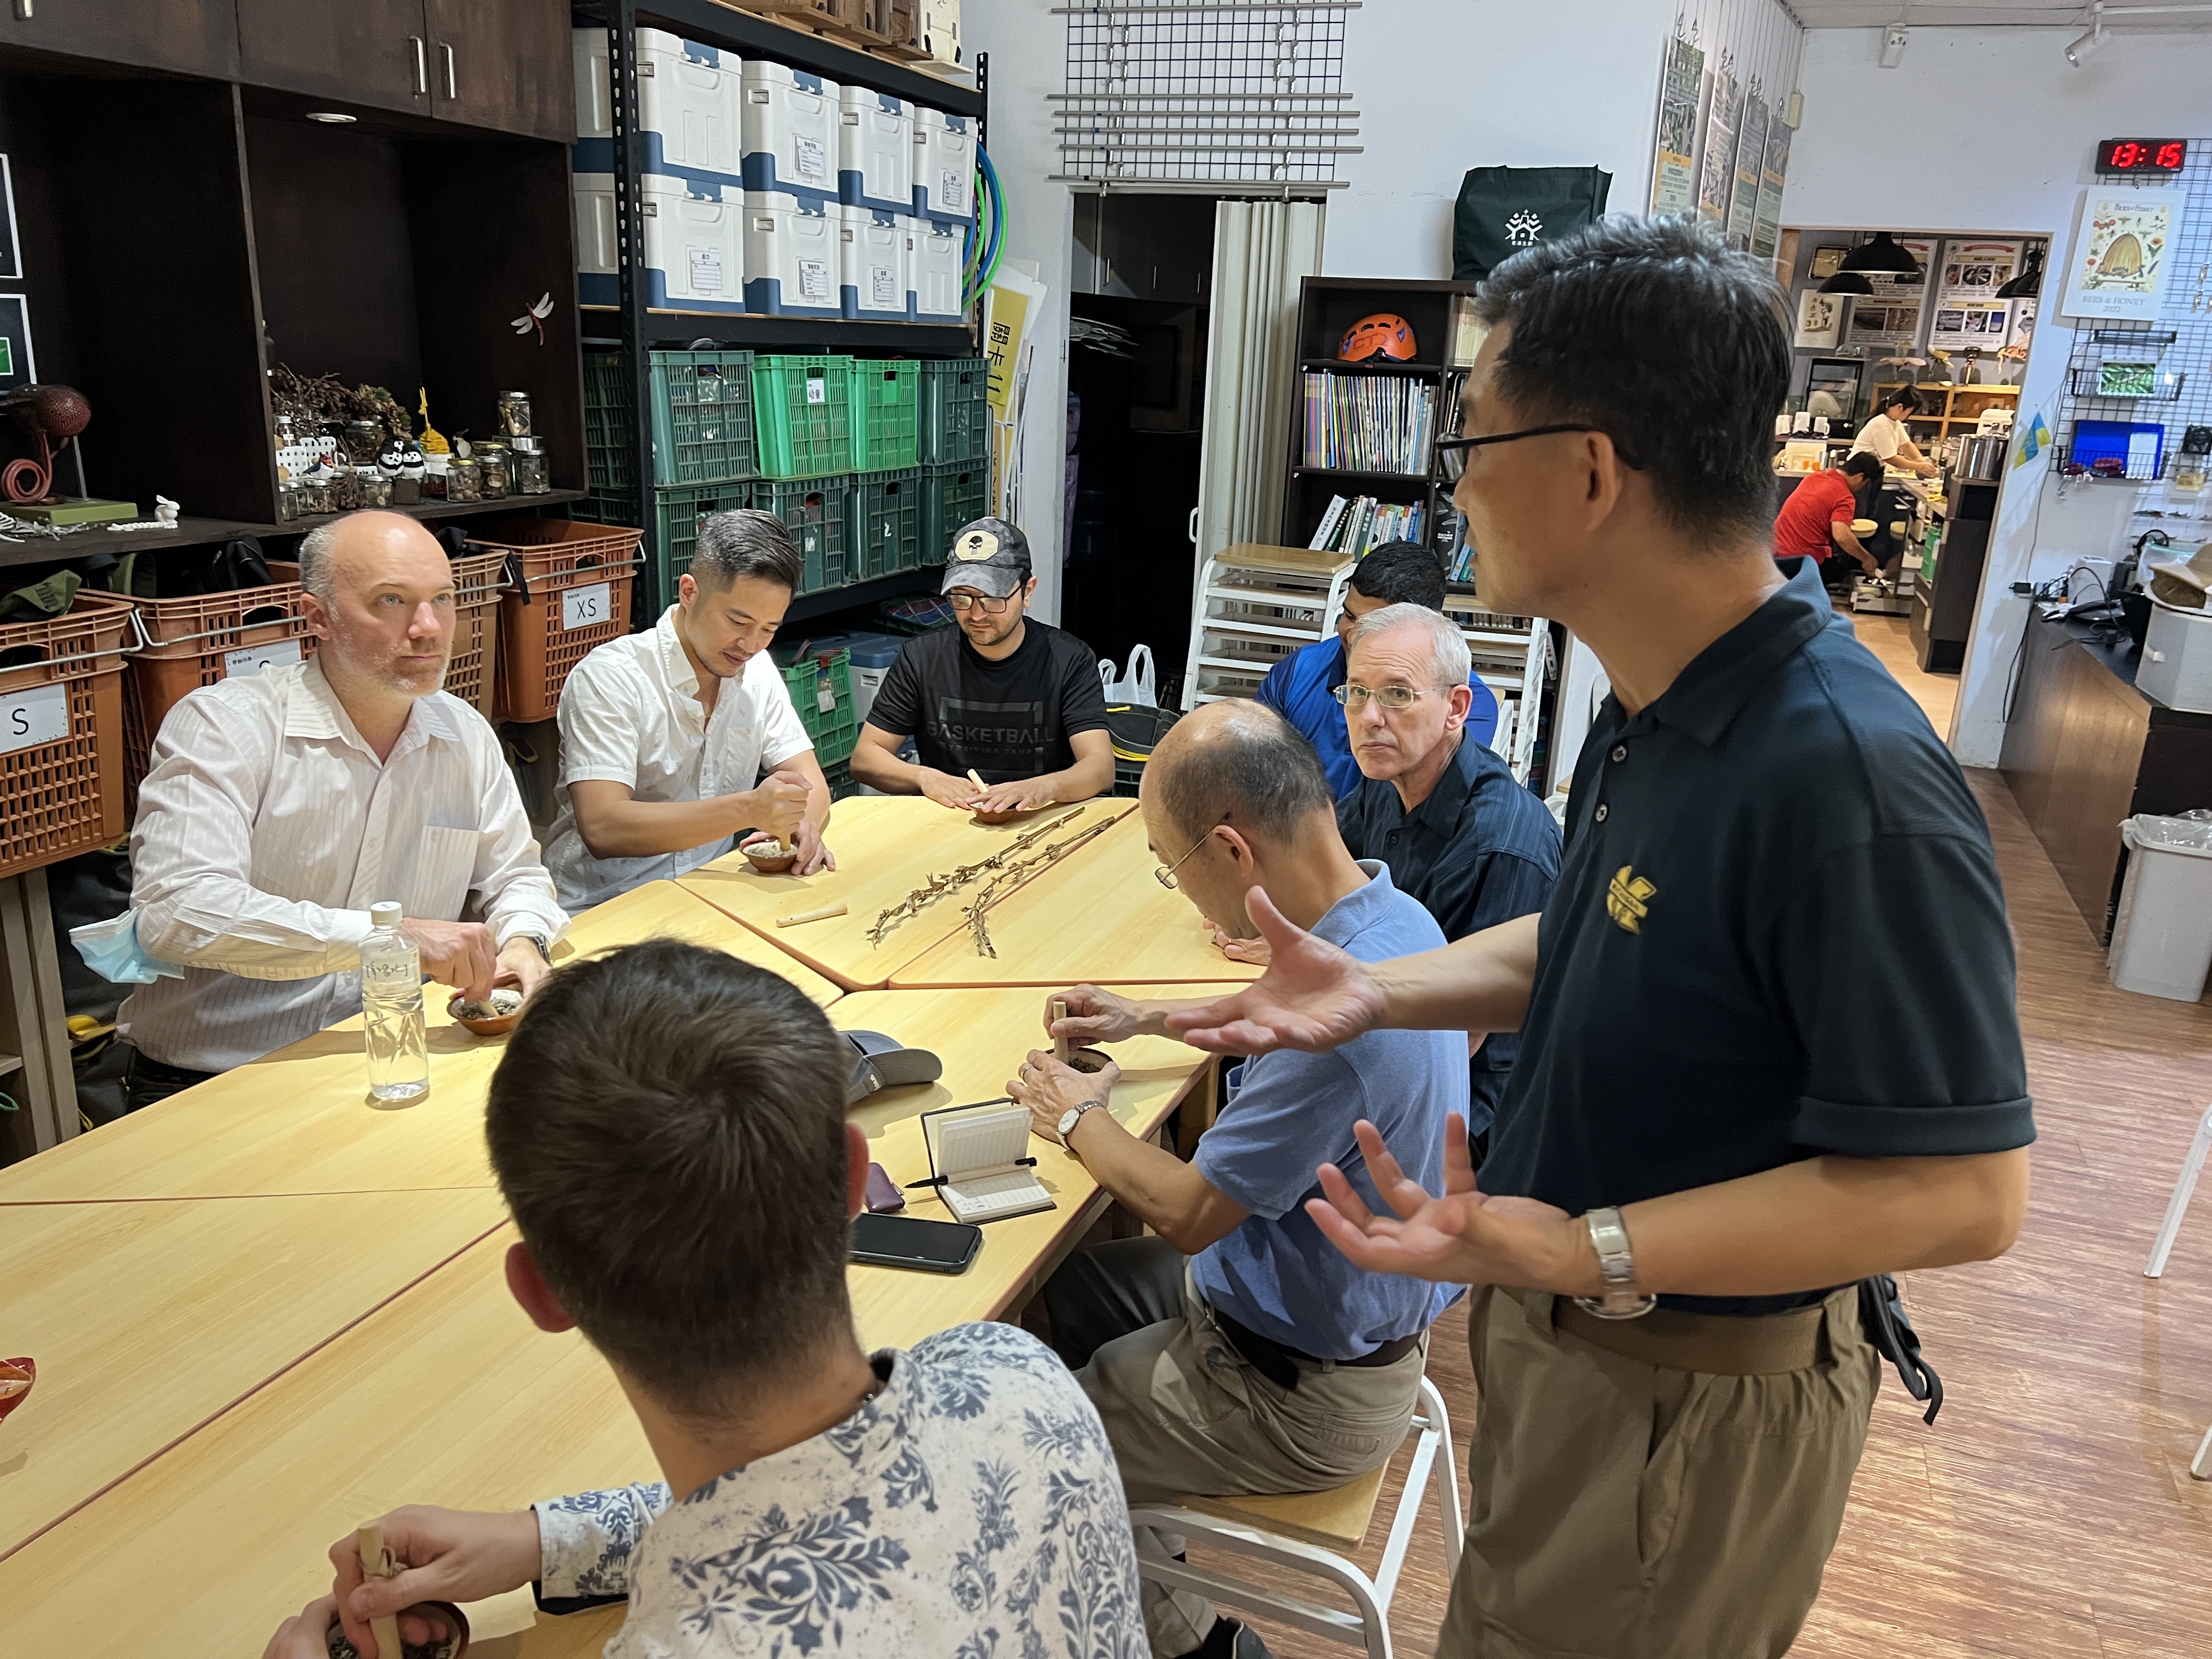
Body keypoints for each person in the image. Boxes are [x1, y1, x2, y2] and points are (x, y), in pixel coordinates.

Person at [1164, 219, 2033, 1659]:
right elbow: (1586, 943)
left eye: (1473, 441)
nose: (1456, 489)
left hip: (1689, 1387)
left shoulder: (1846, 774)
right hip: (1578, 1329)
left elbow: (1963, 1194)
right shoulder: (1657, 705)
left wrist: (1587, 1248)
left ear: (1587, 471)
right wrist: (1368, 991)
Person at [258, 939, 1149, 1659]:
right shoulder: (1013, 1372)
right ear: (852, 1180)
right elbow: (805, 1495)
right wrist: (542, 1542)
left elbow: (780, 1506)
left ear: (543, 1293)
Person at [1007, 699, 1468, 1659]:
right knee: (1070, 1286)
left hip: (1297, 1390)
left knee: (1032, 1448)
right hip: (1336, 1321)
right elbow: (1279, 1000)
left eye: (1170, 864)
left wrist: (1077, 1114)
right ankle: (1142, 1535)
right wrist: (1148, 1017)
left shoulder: (1336, 1028)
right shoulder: (1390, 915)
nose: (1179, 887)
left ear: (1229, 849)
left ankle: (1200, 1643)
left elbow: (1187, 1212)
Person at [121, 511, 566, 1107]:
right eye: (391, 601)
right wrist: (390, 938)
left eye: (442, 599)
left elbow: (516, 875)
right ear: (318, 618)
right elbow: (176, 911)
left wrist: (524, 940)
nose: (429, 629)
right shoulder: (226, 725)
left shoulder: (464, 732)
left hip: (396, 1057)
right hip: (216, 1077)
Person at [1328, 602, 1558, 1160]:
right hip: (1389, 1045)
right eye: (1356, 693)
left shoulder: (1505, 845)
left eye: (1397, 695)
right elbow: (1327, 873)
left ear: (1456, 708)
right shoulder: (1387, 778)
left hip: (1474, 1113)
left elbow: (1462, 1034)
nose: (1370, 716)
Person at [541, 510, 835, 911]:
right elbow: (604, 827)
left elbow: (811, 782)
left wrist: (805, 826)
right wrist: (749, 809)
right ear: (689, 592)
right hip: (605, 904)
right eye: (738, 622)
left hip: (710, 893)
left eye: (769, 629)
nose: (751, 645)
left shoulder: (757, 671)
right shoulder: (611, 677)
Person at [851, 516, 1114, 814]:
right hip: (951, 817)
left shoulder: (1068, 659)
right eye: (962, 598)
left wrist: (1043, 788)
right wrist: (924, 777)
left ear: (1027, 592)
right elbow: (865, 758)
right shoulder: (923, 656)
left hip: (1038, 819)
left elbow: (1100, 767)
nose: (976, 614)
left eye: (992, 599)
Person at [1255, 540, 1500, 799]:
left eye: (1374, 627)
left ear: (1426, 626)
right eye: (1350, 617)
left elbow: (1427, 804)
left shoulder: (1461, 705)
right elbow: (1255, 770)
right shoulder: (1297, 672)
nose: (1352, 636)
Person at [1774, 450, 1888, 588]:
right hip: (1800, 561)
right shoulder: (1844, 497)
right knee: (1841, 571)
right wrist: (1868, 559)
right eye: (1866, 483)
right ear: (1860, 477)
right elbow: (1842, 537)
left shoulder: (1814, 477)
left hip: (1774, 550)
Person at [1850, 388, 1939, 478]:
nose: (1908, 416)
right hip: (1859, 474)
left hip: (1871, 472)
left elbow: (1906, 446)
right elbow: (1891, 459)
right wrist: (1921, 466)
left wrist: (1922, 462)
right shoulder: (1880, 423)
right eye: (1909, 412)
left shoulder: (1895, 423)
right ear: (1900, 407)